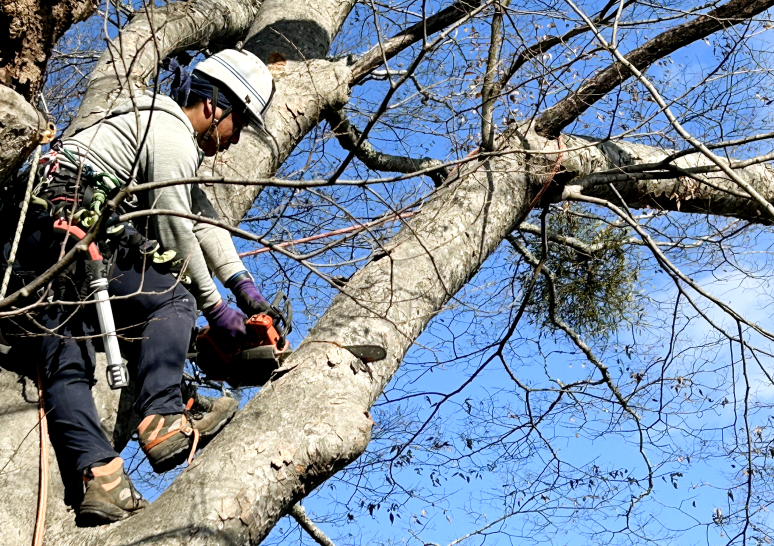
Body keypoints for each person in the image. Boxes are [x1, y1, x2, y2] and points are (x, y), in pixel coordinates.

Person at [0, 49, 278, 525]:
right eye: (241, 124)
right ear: (215, 107)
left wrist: (246, 290)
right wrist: (216, 308)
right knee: (174, 299)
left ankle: (99, 477)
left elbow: (204, 221)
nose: (235, 141)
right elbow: (176, 225)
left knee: (69, 349)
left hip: (29, 249)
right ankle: (165, 415)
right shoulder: (168, 128)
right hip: (70, 232)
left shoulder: (151, 129)